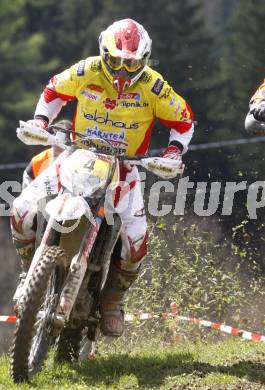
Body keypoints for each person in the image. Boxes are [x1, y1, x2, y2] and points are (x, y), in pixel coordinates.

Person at [11, 18, 194, 337]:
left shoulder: (154, 86)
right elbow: (54, 90)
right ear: (103, 53)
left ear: (145, 59)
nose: (123, 71)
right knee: (21, 210)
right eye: (116, 62)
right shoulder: (87, 70)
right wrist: (42, 121)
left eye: (132, 64)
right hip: (77, 155)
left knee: (137, 241)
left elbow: (184, 121)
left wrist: (173, 152)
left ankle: (113, 300)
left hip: (124, 168)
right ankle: (28, 274)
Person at [22, 119, 72, 189]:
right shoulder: (38, 161)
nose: (58, 142)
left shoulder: (79, 159)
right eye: (55, 135)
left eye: (63, 138)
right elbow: (26, 192)